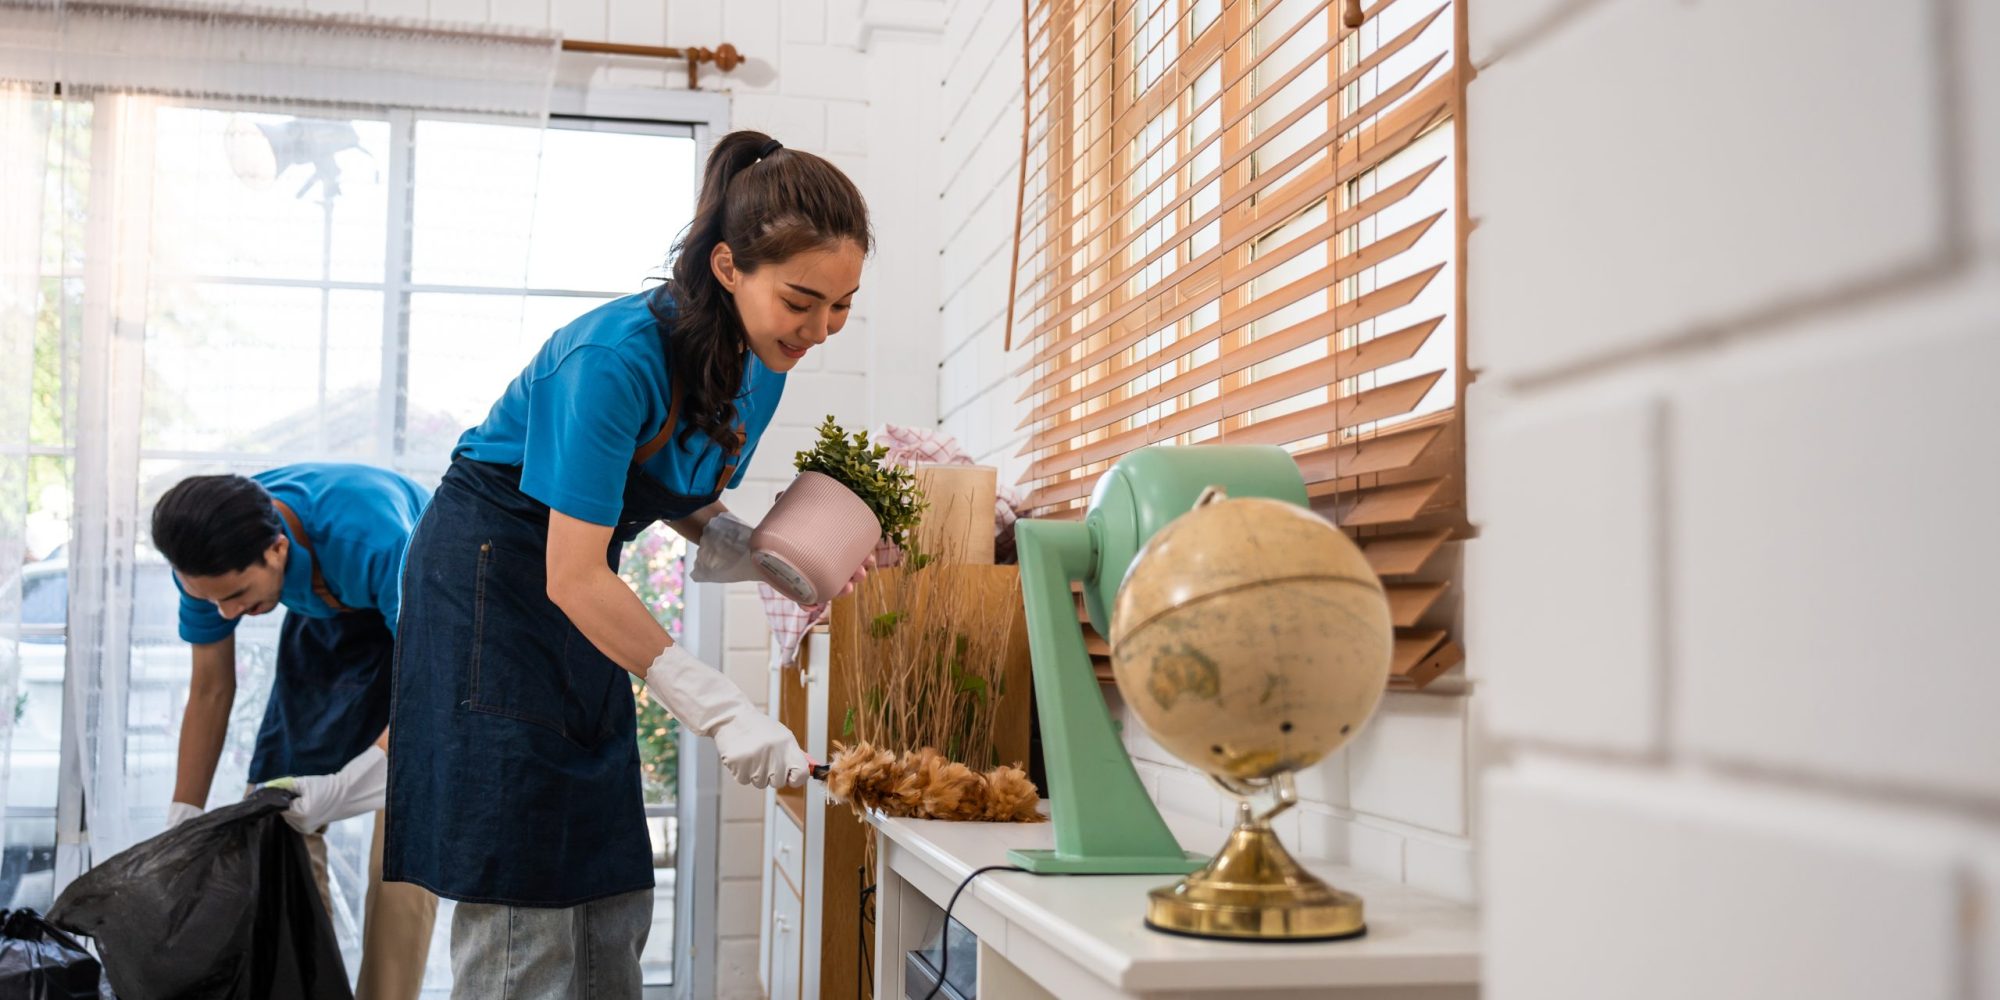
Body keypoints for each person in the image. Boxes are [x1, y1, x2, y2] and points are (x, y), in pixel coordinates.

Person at [384, 130, 871, 997]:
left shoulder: (767, 359)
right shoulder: (613, 358)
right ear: (729, 267)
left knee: (608, 884)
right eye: (804, 300)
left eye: (842, 306)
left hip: (580, 581)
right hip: (491, 582)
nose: (821, 330)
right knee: (524, 881)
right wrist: (721, 709)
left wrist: (755, 551)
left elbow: (670, 488)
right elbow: (570, 575)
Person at [152, 463, 438, 1000]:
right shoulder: (204, 563)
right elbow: (212, 689)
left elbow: (432, 683)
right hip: (330, 620)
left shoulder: (373, 537)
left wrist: (356, 781)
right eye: (213, 601)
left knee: (403, 839)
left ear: (277, 549)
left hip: (424, 615)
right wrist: (182, 815)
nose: (227, 612)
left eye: (237, 595)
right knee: (272, 819)